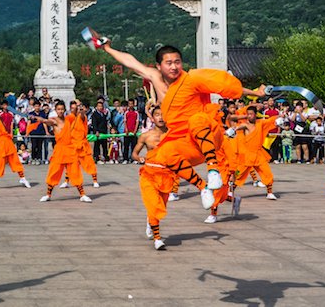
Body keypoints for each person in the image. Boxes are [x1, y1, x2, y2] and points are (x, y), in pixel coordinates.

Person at [91, 32, 265, 209]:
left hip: (204, 131)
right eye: (168, 63)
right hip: (178, 136)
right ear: (159, 66)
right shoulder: (156, 78)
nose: (174, 67)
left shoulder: (190, 80)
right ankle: (199, 190)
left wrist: (255, 92)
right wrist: (107, 48)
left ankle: (213, 171)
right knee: (162, 162)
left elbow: (223, 86)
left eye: (177, 62)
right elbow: (130, 62)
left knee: (199, 125)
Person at [132, 105, 174, 250]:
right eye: (157, 114)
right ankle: (157, 238)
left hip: (166, 175)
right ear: (152, 117)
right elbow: (134, 154)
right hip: (148, 174)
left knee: (160, 206)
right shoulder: (146, 136)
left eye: (163, 114)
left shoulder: (172, 135)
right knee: (153, 205)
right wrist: (140, 159)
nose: (161, 117)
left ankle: (151, 221)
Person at [36, 101, 90, 203]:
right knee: (54, 171)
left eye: (62, 109)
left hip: (70, 149)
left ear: (64, 110)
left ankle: (82, 194)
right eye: (58, 109)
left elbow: (80, 117)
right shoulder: (54, 121)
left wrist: (81, 111)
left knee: (75, 172)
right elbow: (46, 121)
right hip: (59, 150)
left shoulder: (69, 119)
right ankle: (48, 194)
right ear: (55, 110)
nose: (60, 111)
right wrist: (39, 119)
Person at [234, 105, 279, 200]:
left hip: (259, 154)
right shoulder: (245, 125)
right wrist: (231, 130)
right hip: (247, 155)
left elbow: (270, 121)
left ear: (255, 115)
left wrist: (280, 117)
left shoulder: (260, 123)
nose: (249, 116)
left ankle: (269, 193)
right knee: (238, 174)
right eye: (248, 114)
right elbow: (238, 127)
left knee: (267, 173)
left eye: (251, 114)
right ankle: (230, 191)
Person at [0, 104, 32, 190]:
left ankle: (23, 178)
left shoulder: (2, 118)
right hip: (1, 143)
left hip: (8, 142)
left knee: (15, 161)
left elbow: (9, 120)